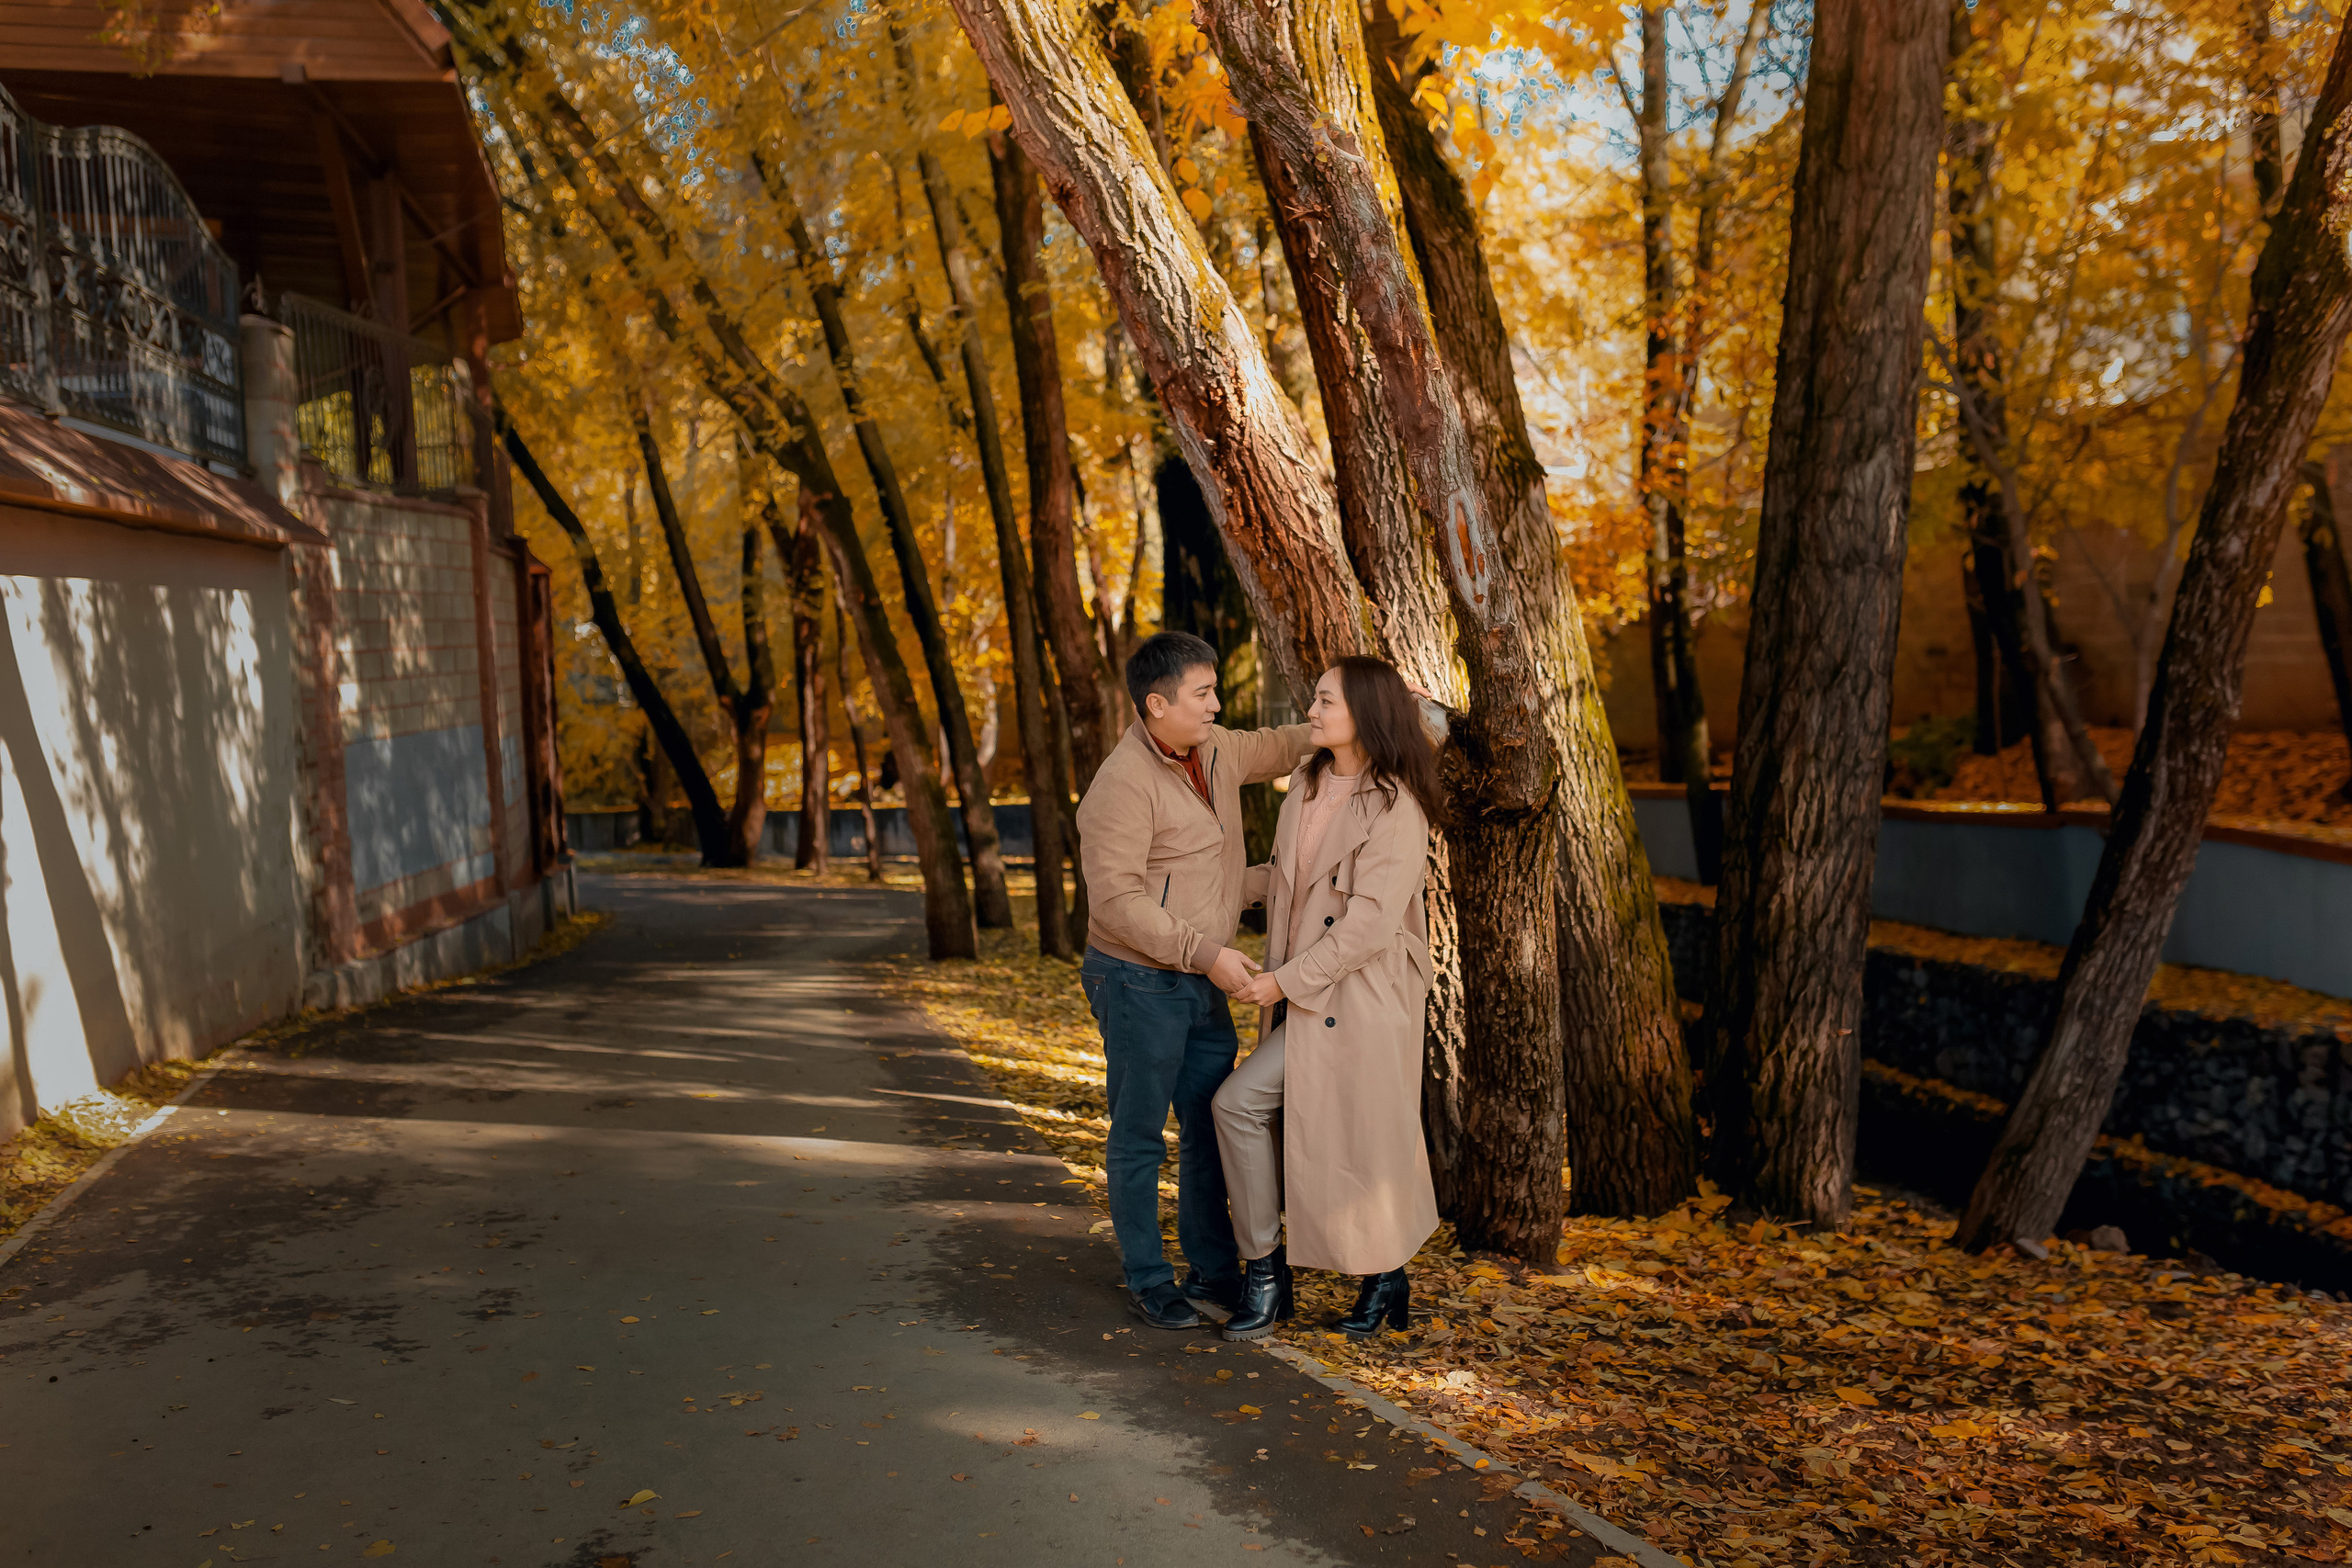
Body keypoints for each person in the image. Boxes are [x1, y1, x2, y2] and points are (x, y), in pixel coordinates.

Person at [1074, 631, 1311, 1329]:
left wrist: (1363, 709)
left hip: (1202, 977)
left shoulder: (1216, 750)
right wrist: (1205, 952)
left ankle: (1212, 1267)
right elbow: (1119, 902)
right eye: (1202, 694)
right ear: (1157, 704)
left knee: (1209, 1125)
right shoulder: (1119, 786)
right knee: (1141, 1133)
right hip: (1137, 979)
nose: (1216, 705)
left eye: (1214, 691)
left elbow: (1284, 744)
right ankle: (1150, 1278)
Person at [1212, 655, 1442, 1342]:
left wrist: (1279, 983)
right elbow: (1286, 882)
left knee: (1363, 1137)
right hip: (1306, 989)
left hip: (1362, 997)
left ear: (1365, 713)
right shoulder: (1306, 786)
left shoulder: (1397, 804)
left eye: (1323, 702)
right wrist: (1208, 893)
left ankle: (1381, 1276)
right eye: (1312, 701)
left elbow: (1369, 923)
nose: (1309, 713)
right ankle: (1266, 1269)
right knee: (1245, 1107)